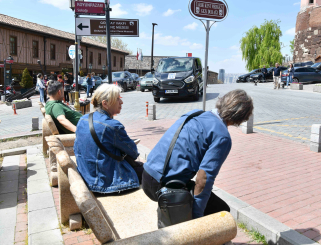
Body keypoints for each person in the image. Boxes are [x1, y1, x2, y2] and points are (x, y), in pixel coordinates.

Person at [143, 89, 254, 226]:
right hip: (161, 185)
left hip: (147, 175)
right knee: (222, 211)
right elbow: (203, 180)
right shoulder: (222, 136)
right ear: (241, 117)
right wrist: (196, 219)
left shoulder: (195, 114)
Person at [74, 84, 142, 193]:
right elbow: (134, 153)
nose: (121, 102)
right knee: (152, 172)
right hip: (107, 183)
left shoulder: (82, 119)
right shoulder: (113, 126)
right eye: (117, 99)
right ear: (105, 103)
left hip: (87, 176)